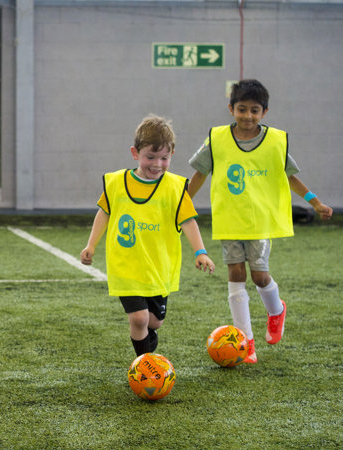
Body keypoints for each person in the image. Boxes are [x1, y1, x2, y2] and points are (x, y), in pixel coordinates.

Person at [187, 79, 333, 363]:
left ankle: (276, 310)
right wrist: (182, 204)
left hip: (260, 221)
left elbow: (290, 176)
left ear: (264, 112)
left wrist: (315, 201)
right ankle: (246, 342)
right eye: (242, 109)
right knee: (235, 276)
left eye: (254, 110)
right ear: (231, 109)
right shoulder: (216, 139)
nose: (248, 116)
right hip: (229, 220)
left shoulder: (276, 141)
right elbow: (199, 174)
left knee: (259, 276)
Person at [80, 114, 215, 357]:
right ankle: (145, 364)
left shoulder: (175, 188)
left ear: (171, 155)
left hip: (157, 267)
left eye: (164, 158)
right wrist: (91, 245)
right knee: (139, 318)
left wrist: (201, 252)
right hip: (126, 266)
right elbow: (104, 213)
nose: (157, 164)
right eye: (150, 157)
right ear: (135, 153)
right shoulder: (116, 183)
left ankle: (148, 335)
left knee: (154, 321)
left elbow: (188, 221)